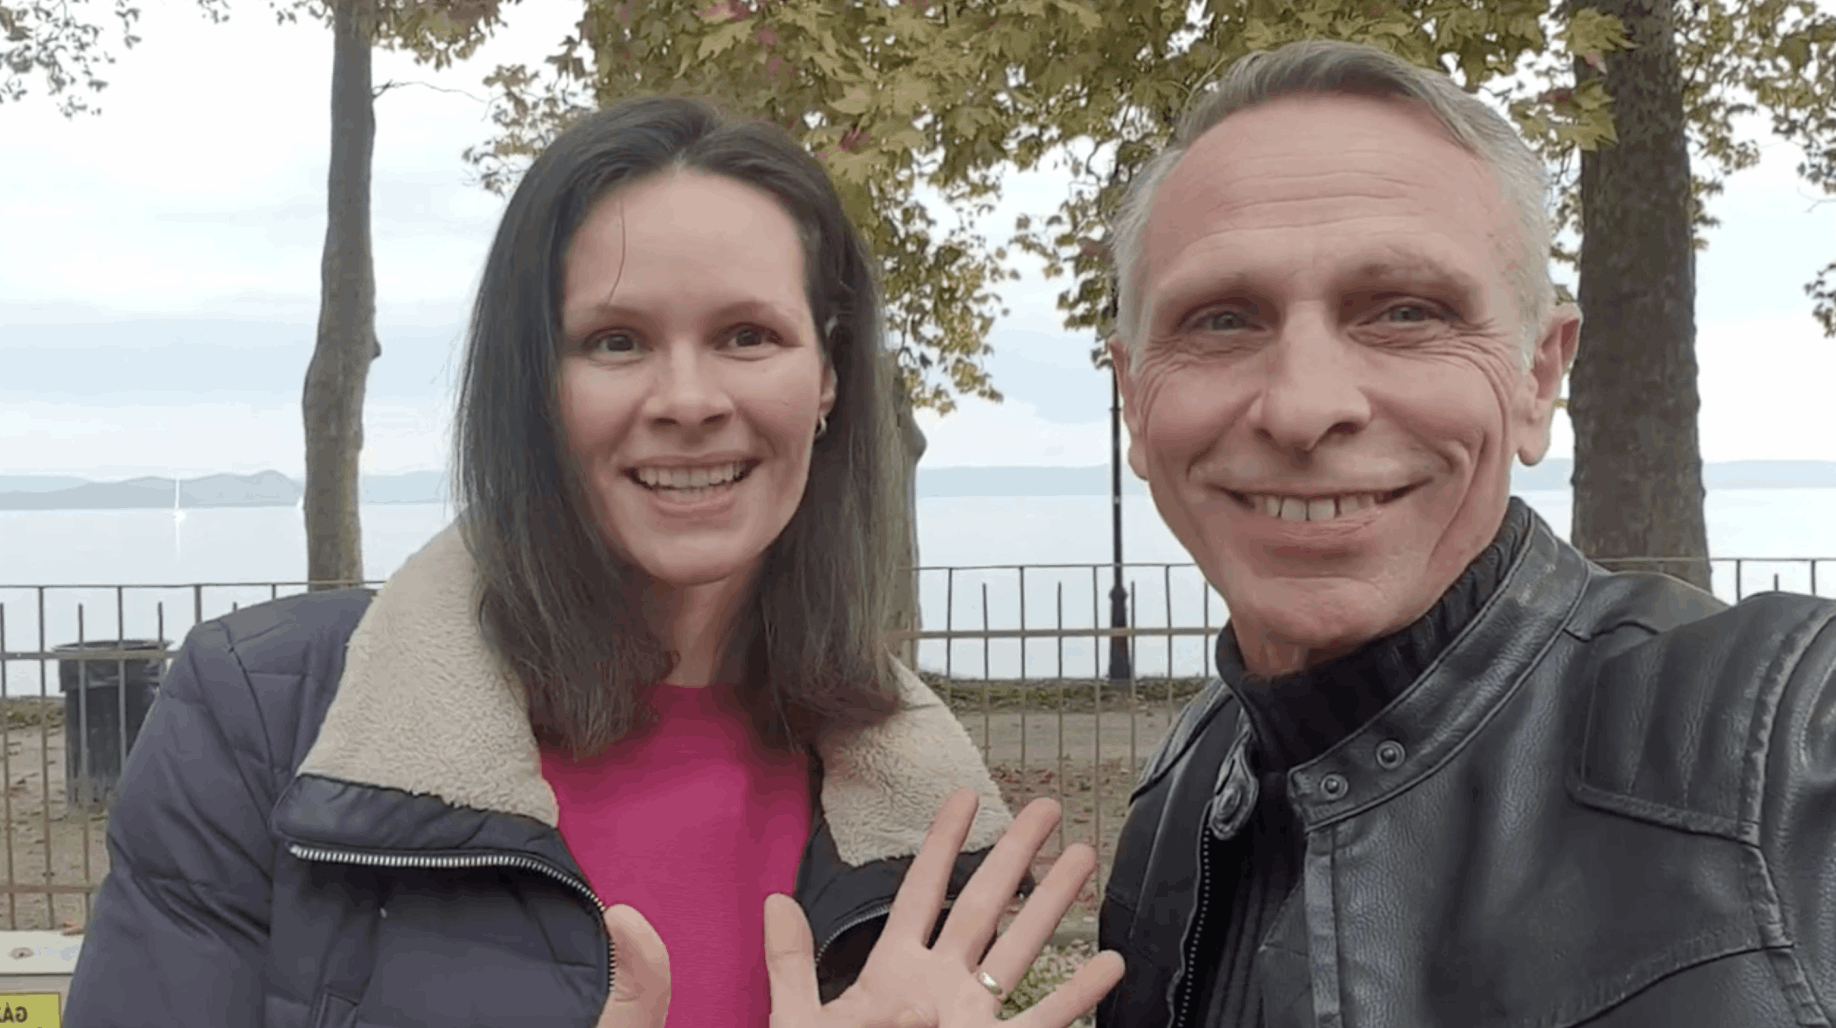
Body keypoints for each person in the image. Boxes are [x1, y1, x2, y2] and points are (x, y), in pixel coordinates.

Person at [63, 96, 1122, 1028]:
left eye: (748, 336)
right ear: (534, 385)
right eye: (616, 340)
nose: (689, 400)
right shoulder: (264, 720)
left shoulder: (916, 807)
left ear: (830, 377)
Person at [1092, 38, 1836, 1028]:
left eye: (1407, 311)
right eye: (1222, 321)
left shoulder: (1777, 745)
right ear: (1134, 401)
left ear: (1538, 377)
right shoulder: (1184, 795)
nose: (1304, 407)